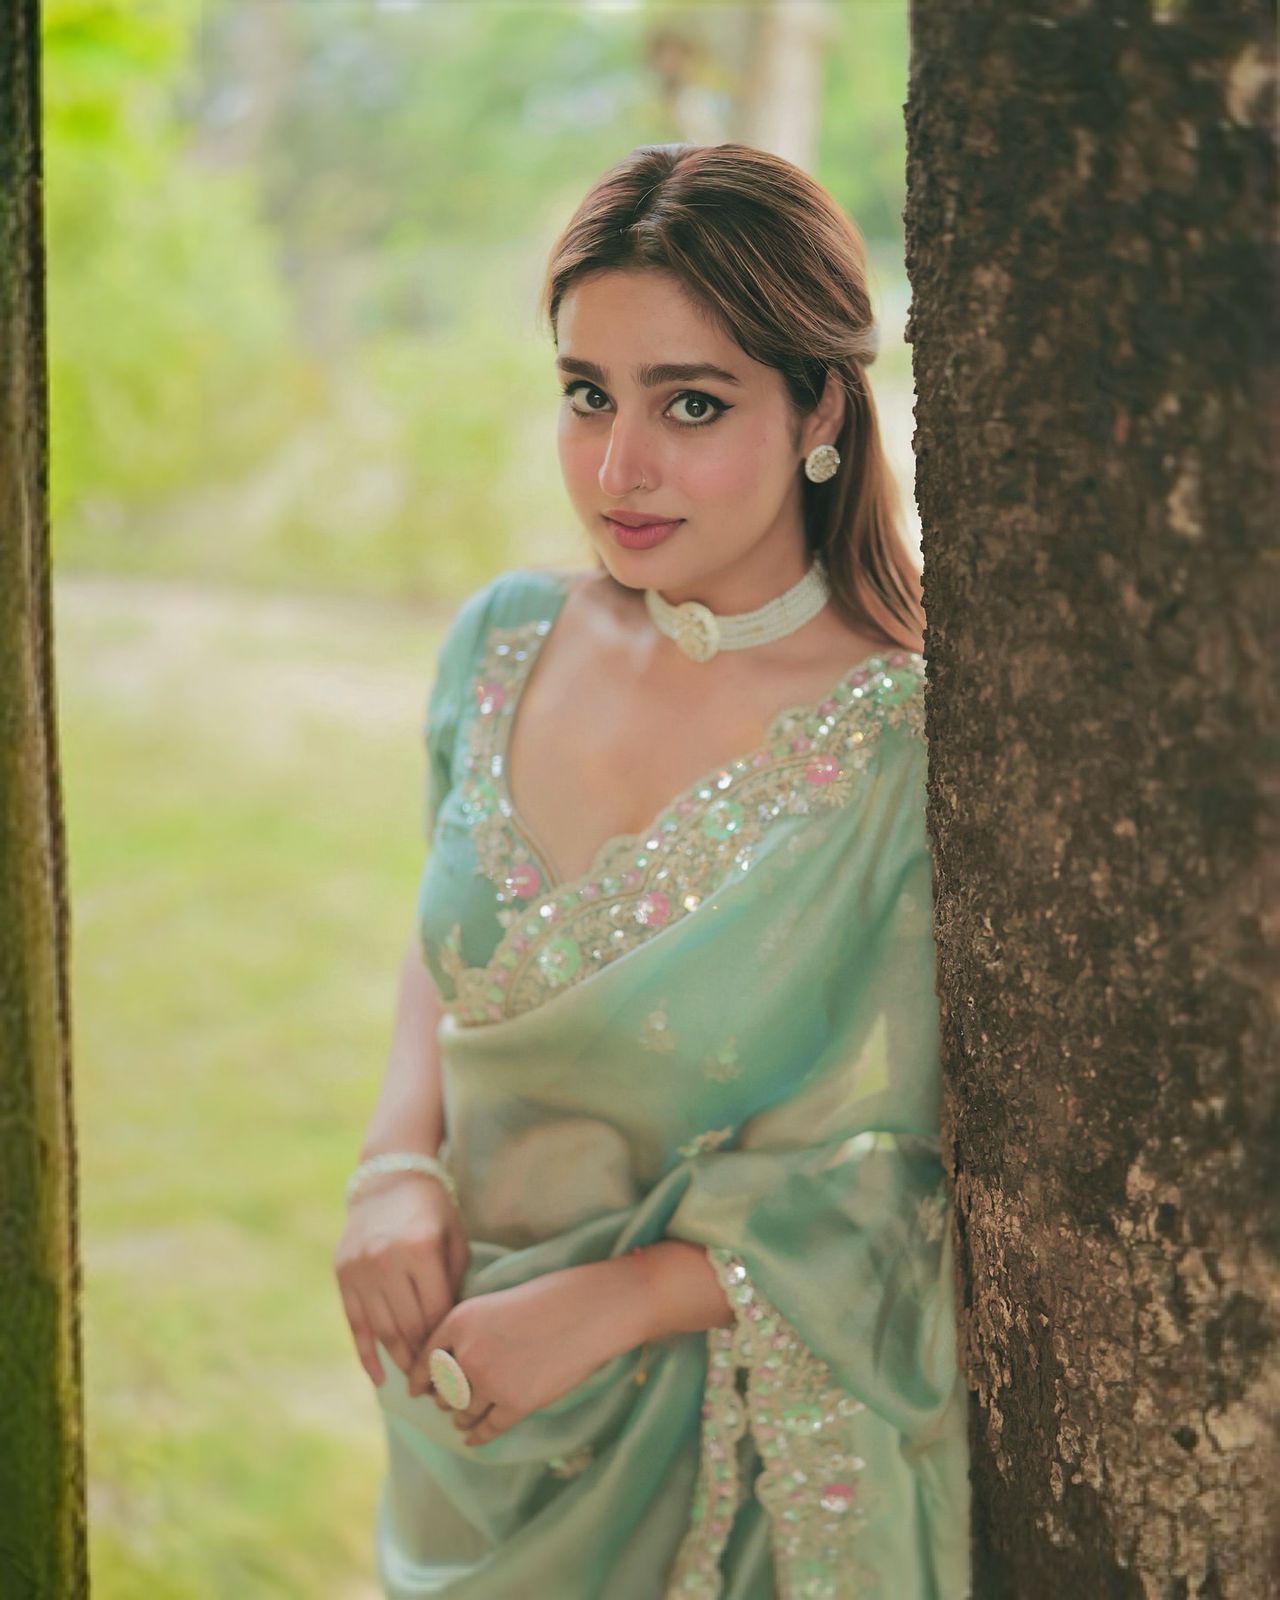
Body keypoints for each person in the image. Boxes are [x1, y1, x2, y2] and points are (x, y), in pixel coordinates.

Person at [333, 141, 972, 1599]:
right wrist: (390, 1167)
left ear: (820, 406)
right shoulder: (501, 642)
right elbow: (453, 957)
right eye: (585, 396)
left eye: (691, 403)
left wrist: (620, 1302)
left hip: (722, 1470)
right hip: (463, 1415)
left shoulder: (902, 751)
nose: (619, 469)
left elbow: (909, 1185)